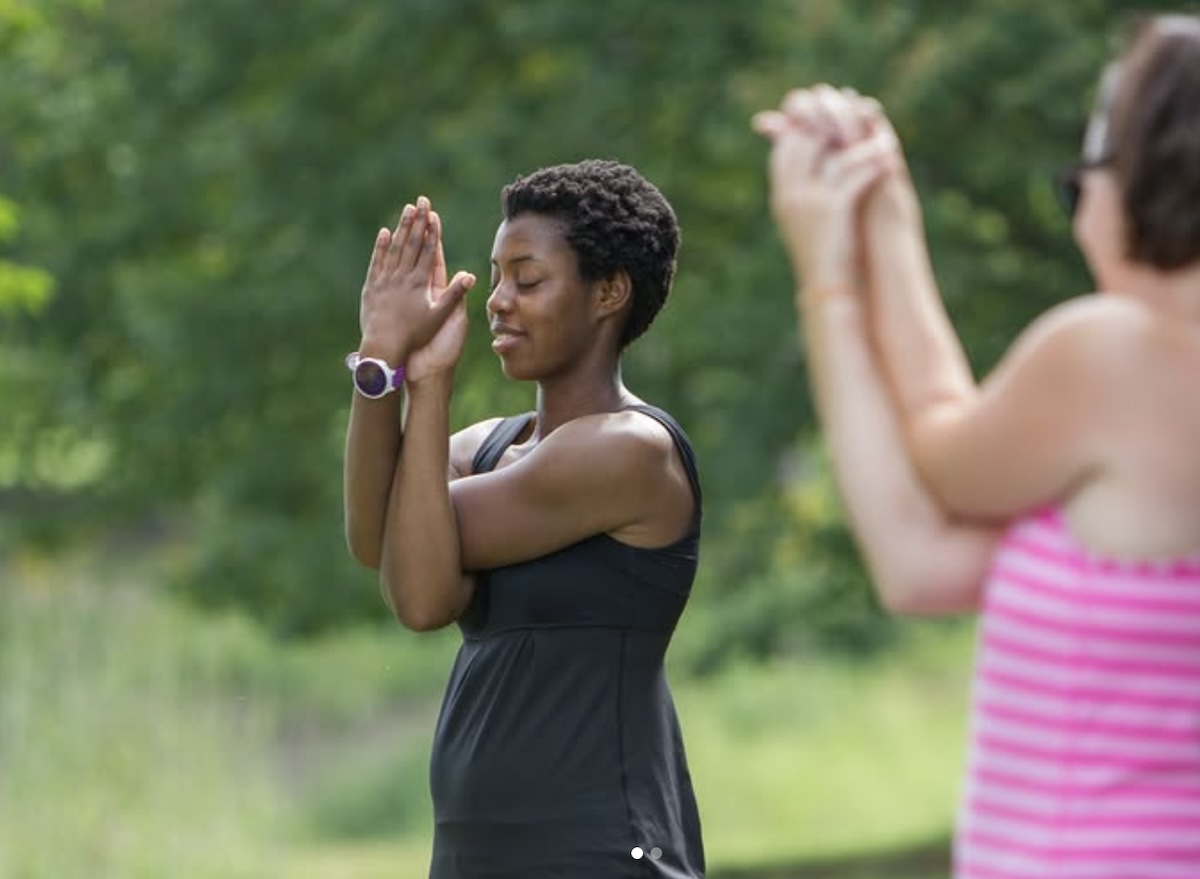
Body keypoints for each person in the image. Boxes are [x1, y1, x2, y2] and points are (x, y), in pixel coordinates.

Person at [755, 13, 1200, 879]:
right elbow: (919, 559)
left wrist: (834, 270)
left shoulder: (1121, 354)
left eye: (1081, 183)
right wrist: (881, 230)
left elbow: (937, 446)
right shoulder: (1131, 457)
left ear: (1142, 179)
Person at [342, 159, 705, 878]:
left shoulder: (626, 453)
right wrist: (383, 360)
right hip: (479, 854)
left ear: (608, 292)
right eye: (496, 275)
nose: (497, 301)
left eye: (528, 279)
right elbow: (373, 538)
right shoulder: (487, 448)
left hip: (599, 849)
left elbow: (416, 593)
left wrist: (431, 379)